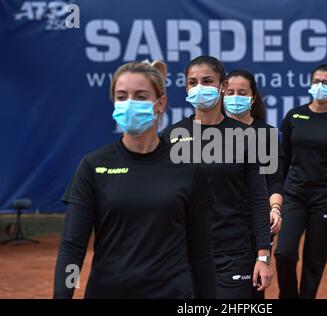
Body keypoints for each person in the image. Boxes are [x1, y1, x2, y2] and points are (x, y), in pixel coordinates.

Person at [53, 60, 216, 299]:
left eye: (140, 96)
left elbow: (201, 255)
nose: (129, 103)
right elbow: (73, 246)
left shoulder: (188, 170)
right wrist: (62, 295)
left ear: (160, 103)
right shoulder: (94, 166)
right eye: (122, 96)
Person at [161, 56, 273, 299]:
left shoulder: (245, 136)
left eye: (207, 81)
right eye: (193, 82)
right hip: (183, 255)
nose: (199, 87)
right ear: (186, 88)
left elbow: (257, 198)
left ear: (222, 86)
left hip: (233, 254)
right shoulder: (170, 137)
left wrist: (263, 256)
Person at [275, 64, 327, 299]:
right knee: (284, 253)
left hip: (326, 198)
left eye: (326, 82)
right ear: (310, 84)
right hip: (295, 195)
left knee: (314, 261)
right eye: (316, 81)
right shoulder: (294, 116)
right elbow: (285, 159)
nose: (320, 86)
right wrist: (276, 195)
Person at [222, 70, 283, 299]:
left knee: (252, 285)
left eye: (241, 92)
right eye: (230, 92)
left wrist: (275, 209)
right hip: (221, 220)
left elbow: (274, 180)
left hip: (255, 221)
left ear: (253, 97)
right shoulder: (211, 134)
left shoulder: (266, 134)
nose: (235, 97)